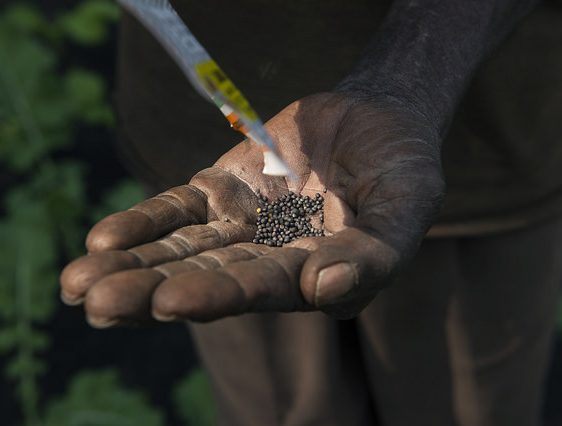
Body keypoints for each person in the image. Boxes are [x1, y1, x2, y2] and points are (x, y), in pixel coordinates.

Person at [60, 0, 562, 424]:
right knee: (283, 403)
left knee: (461, 403)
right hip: (206, 161)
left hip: (484, 158)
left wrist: (401, 84)